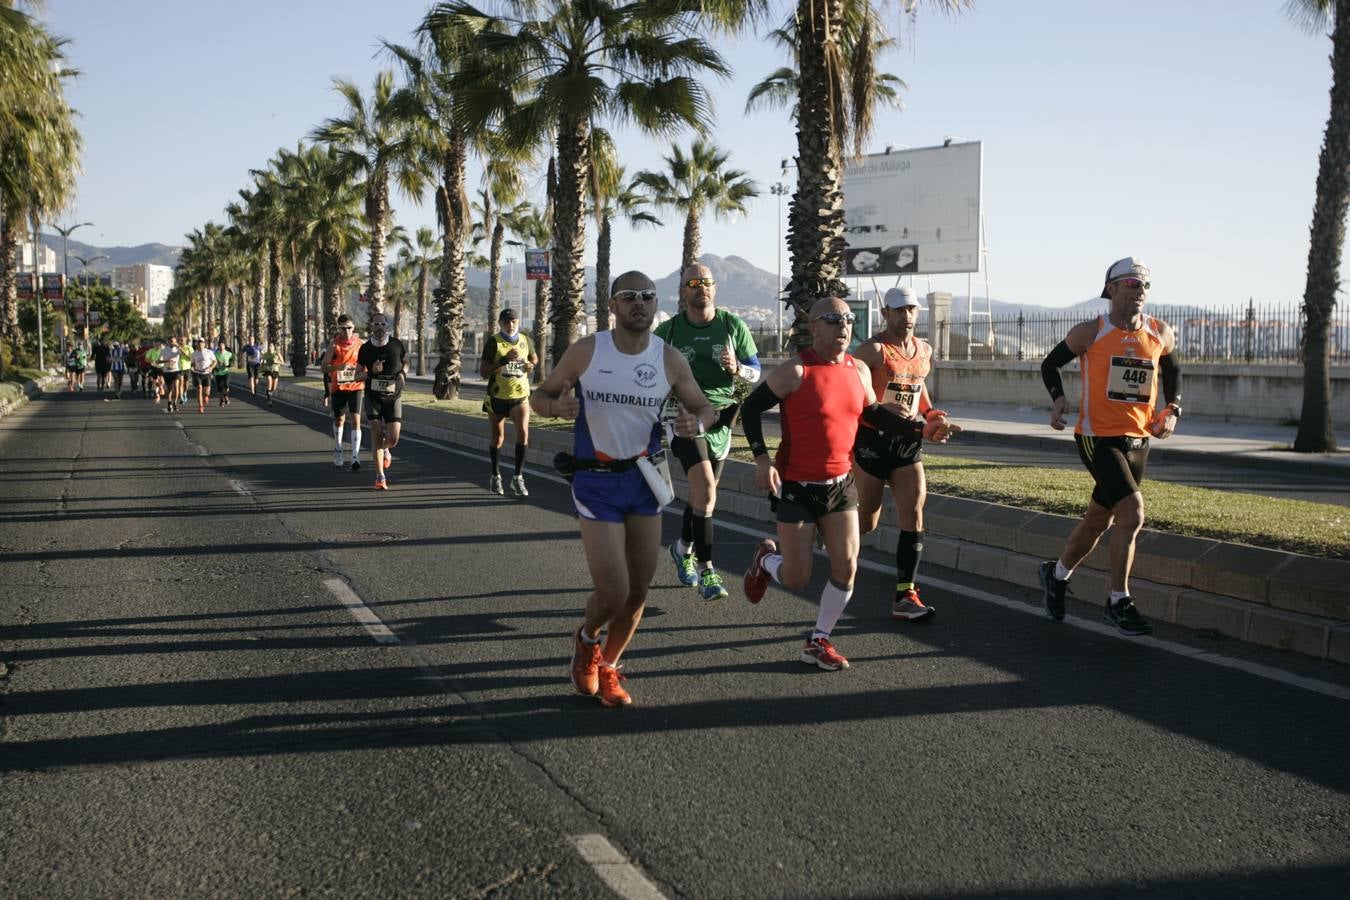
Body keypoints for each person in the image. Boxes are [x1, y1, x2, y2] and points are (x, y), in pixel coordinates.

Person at [532, 271, 714, 708]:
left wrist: (698, 423)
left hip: (644, 480)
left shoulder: (668, 358)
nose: (640, 303)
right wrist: (556, 407)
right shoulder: (588, 351)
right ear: (612, 305)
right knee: (613, 590)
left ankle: (609, 664)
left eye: (647, 296)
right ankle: (586, 638)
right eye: (629, 296)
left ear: (656, 305)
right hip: (595, 479)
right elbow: (540, 396)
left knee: (638, 591)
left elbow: (704, 406)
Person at [740, 297, 935, 671]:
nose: (843, 326)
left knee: (847, 568)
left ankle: (818, 640)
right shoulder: (796, 371)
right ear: (813, 327)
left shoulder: (858, 370)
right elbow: (750, 409)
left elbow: (875, 413)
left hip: (841, 484)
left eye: (847, 319)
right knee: (797, 578)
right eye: (832, 319)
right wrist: (763, 460)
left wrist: (922, 428)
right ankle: (767, 560)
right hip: (797, 484)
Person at [1037, 257, 1182, 636]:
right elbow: (1050, 364)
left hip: (1138, 439)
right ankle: (1119, 600)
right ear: (1112, 289)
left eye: (1146, 285)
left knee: (1099, 521)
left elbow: (1172, 368)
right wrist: (1058, 399)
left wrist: (1172, 409)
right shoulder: (1091, 332)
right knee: (1132, 513)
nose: (1140, 291)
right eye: (1132, 283)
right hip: (1096, 437)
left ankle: (1056, 575)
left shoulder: (1159, 332)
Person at [852, 286, 961, 622]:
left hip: (907, 443)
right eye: (899, 310)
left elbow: (917, 385)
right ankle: (831, 538)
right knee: (867, 521)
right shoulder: (872, 350)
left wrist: (930, 415)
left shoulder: (924, 350)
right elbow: (853, 393)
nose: (906, 316)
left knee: (914, 513)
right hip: (872, 443)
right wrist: (881, 407)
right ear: (885, 314)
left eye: (911, 309)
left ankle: (905, 594)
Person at [653, 263, 761, 601]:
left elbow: (755, 373)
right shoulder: (668, 332)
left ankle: (682, 548)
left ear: (715, 288)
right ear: (682, 291)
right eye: (694, 282)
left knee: (704, 494)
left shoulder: (732, 326)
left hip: (722, 418)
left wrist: (737, 368)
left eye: (707, 282)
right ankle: (707, 571)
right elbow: (646, 371)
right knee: (707, 493)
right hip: (683, 418)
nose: (702, 287)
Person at [480, 307, 537, 496]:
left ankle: (518, 478)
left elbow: (534, 358)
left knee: (523, 434)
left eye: (513, 321)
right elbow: (483, 371)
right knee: (498, 438)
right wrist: (503, 360)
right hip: (497, 397)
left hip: (519, 395)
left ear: (518, 322)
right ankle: (495, 476)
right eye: (506, 322)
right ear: (500, 324)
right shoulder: (494, 342)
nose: (510, 324)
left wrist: (530, 365)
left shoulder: (525, 340)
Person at [356, 312, 407, 491]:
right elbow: (357, 375)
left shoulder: (396, 345)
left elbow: (405, 362)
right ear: (371, 327)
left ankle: (386, 449)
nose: (379, 327)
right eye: (376, 324)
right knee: (376, 435)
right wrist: (371, 373)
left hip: (393, 397)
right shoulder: (365, 349)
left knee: (393, 439)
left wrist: (402, 373)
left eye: (382, 324)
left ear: (387, 327)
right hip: (373, 397)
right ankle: (380, 476)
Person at [322, 314, 365, 470]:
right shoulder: (334, 345)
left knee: (356, 420)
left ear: (354, 328)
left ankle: (355, 456)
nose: (347, 331)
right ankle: (338, 448)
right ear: (338, 329)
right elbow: (323, 367)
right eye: (343, 328)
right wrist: (337, 367)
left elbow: (367, 362)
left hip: (356, 387)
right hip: (338, 387)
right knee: (339, 420)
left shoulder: (361, 344)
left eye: (349, 328)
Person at [189, 337, 217, 414]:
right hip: (197, 373)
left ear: (204, 344)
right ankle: (201, 406)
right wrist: (191, 368)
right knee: (199, 388)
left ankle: (206, 396)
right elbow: (192, 363)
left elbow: (215, 361)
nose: (200, 344)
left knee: (207, 392)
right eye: (198, 342)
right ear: (197, 344)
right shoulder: (194, 354)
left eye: (201, 342)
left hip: (207, 373)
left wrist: (211, 367)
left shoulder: (209, 352)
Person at [158, 336, 183, 413]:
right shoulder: (164, 350)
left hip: (176, 371)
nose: (173, 343)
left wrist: (178, 347)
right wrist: (167, 361)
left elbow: (184, 354)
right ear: (168, 342)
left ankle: (175, 403)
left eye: (174, 341)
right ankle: (169, 403)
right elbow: (158, 361)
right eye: (171, 341)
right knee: (170, 389)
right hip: (167, 371)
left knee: (176, 387)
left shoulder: (177, 349)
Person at [212, 338, 233, 407]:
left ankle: (226, 396)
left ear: (224, 346)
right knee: (220, 388)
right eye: (220, 345)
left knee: (226, 386)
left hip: (226, 372)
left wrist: (229, 364)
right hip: (218, 373)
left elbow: (232, 360)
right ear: (218, 346)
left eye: (222, 345)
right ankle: (221, 400)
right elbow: (212, 362)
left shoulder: (229, 354)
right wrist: (215, 368)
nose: (221, 346)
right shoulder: (215, 354)